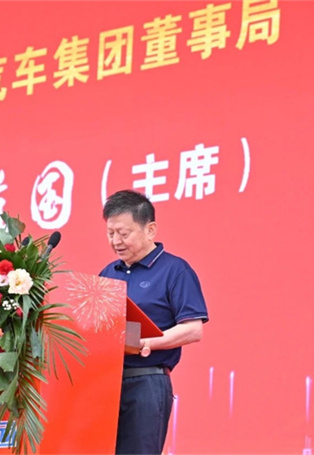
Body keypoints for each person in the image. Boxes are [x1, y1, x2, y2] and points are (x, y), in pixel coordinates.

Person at [99, 189, 209, 455]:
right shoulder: (107, 273)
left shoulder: (174, 270)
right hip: (104, 384)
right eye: (111, 233)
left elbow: (193, 329)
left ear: (150, 230)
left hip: (146, 382)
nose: (116, 241)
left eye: (124, 233)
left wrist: (146, 343)